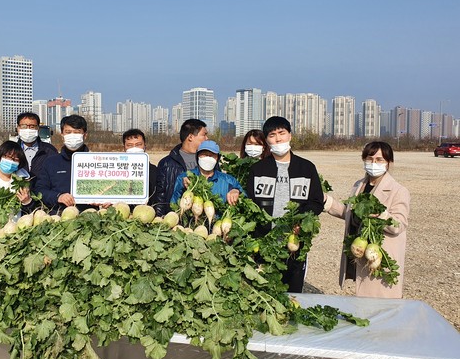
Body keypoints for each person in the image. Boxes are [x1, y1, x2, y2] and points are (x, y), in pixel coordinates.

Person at [246, 116, 323, 293]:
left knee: (293, 294)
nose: (278, 139)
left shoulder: (306, 168)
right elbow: (251, 203)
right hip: (264, 248)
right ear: (266, 141)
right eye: (272, 135)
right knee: (263, 295)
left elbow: (316, 202)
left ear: (290, 136)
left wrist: (302, 221)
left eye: (282, 133)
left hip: (294, 247)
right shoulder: (258, 170)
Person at [323, 141, 410, 298]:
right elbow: (350, 213)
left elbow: (399, 224)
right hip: (361, 250)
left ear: (389, 163)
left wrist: (382, 215)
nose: (373, 163)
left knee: (381, 302)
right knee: (363, 300)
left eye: (379, 160)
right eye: (370, 159)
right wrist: (327, 202)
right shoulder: (359, 185)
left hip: (379, 256)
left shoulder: (398, 191)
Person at [34, 114, 91, 214]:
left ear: (85, 135)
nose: (72, 136)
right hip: (58, 217)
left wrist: (105, 200)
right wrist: (58, 197)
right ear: (62, 135)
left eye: (77, 132)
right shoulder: (51, 162)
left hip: (89, 216)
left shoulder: (96, 161)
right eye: (68, 132)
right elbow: (40, 190)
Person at [155, 119, 208, 216]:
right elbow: (160, 196)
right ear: (191, 137)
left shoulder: (209, 161)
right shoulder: (166, 163)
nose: (207, 138)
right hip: (175, 219)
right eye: (204, 135)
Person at [171, 140, 243, 206]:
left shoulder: (228, 180)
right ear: (197, 156)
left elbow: (244, 197)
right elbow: (173, 203)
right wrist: (183, 188)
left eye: (212, 155)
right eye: (204, 154)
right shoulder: (185, 177)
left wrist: (236, 191)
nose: (208, 158)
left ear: (217, 158)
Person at [15, 112, 58, 183]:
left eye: (32, 127)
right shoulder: (11, 150)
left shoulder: (49, 150)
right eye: (24, 126)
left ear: (38, 128)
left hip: (42, 192)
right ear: (18, 128)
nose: (28, 130)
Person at [122, 128, 158, 207]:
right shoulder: (117, 172)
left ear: (145, 147)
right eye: (129, 145)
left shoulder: (154, 171)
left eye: (138, 145)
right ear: (124, 148)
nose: (134, 148)